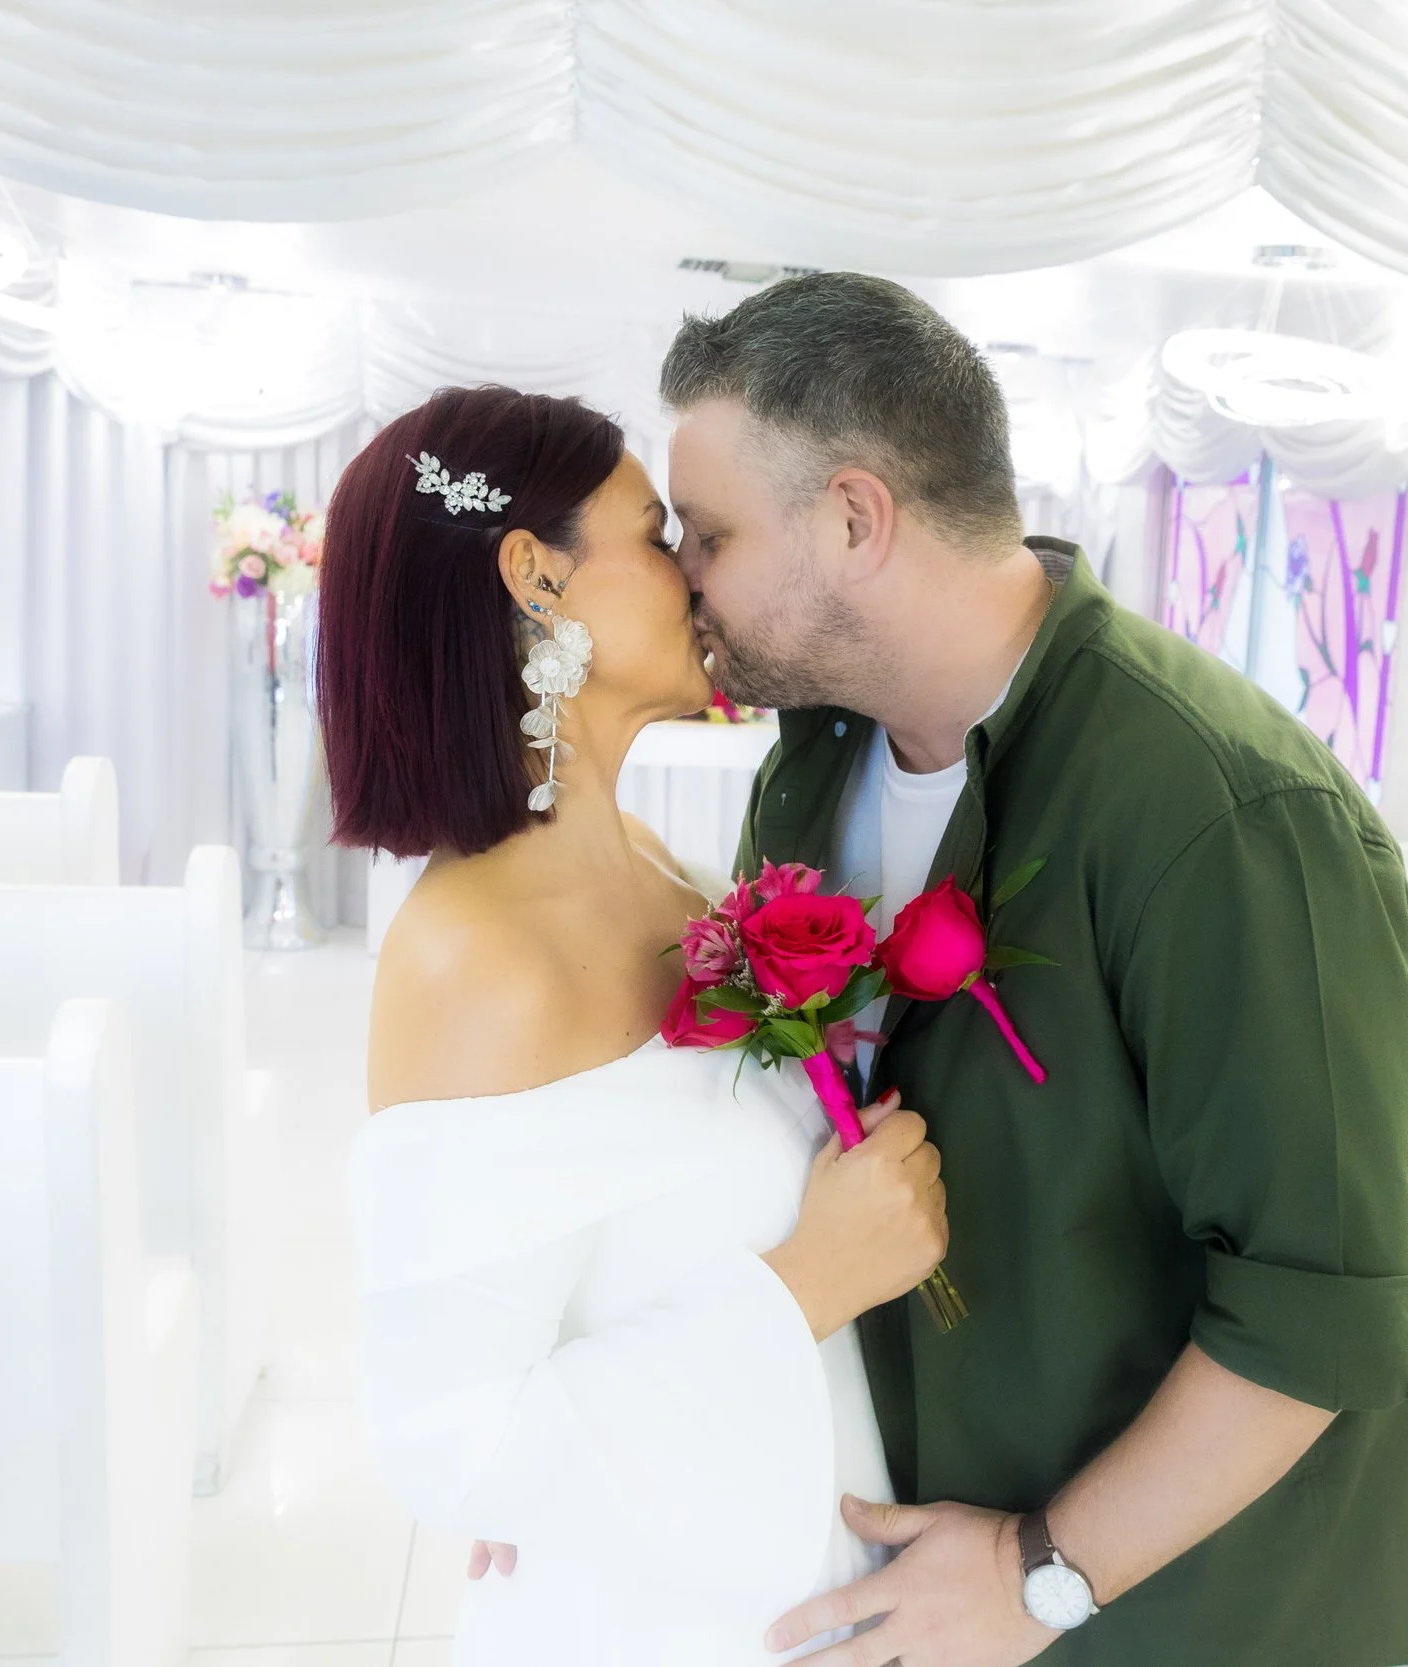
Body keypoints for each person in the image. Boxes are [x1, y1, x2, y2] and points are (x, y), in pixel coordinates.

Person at [663, 272, 1408, 1666]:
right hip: (935, 1556)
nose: (684, 579)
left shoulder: (1221, 808)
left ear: (856, 518)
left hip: (1203, 1612)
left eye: (710, 533)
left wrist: (1037, 1575)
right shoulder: (807, 775)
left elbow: (1321, 1313)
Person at [326, 384, 949, 1665]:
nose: (699, 577)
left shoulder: (666, 870)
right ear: (535, 578)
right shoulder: (473, 960)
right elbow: (455, 1447)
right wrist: (809, 1279)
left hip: (791, 1554)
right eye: (660, 537)